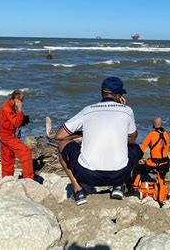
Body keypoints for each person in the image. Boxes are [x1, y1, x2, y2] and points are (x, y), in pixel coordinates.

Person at [55, 77, 142, 205]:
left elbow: (59, 135)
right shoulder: (127, 110)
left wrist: (82, 132)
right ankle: (118, 186)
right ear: (118, 96)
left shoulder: (88, 110)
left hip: (86, 175)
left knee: (62, 145)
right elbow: (131, 138)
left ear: (102, 93)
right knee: (134, 149)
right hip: (119, 174)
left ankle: (78, 190)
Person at [0, 89, 34, 179]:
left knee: (8, 158)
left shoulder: (9, 106)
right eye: (21, 101)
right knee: (26, 153)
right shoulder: (7, 108)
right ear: (17, 100)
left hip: (4, 135)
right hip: (7, 136)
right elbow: (16, 123)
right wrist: (20, 110)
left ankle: (6, 179)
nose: (22, 103)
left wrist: (23, 120)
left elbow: (11, 121)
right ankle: (29, 179)